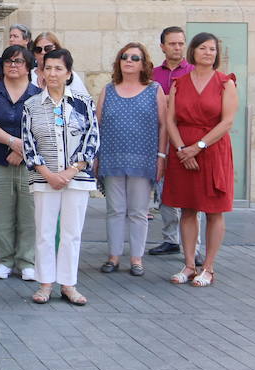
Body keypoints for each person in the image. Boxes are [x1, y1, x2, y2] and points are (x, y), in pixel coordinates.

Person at [22, 47, 99, 306]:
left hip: (76, 178)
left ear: (68, 73)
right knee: (44, 231)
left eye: (58, 68)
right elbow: (28, 144)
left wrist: (70, 170)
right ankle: (45, 284)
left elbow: (92, 139)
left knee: (71, 232)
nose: (52, 73)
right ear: (41, 73)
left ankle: (68, 284)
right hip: (44, 179)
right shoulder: (31, 105)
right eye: (48, 68)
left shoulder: (83, 102)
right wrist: (47, 173)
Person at [163, 32, 237, 288]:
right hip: (183, 151)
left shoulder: (225, 83)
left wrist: (198, 146)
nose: (208, 52)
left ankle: (209, 267)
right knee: (187, 208)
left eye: (213, 49)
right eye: (203, 48)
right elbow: (170, 120)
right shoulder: (179, 83)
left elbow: (227, 121)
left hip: (212, 150)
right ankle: (189, 264)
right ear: (193, 51)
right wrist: (183, 149)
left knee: (214, 210)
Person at [95, 42, 166, 277]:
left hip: (143, 158)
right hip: (112, 156)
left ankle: (136, 259)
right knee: (115, 209)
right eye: (124, 56)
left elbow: (163, 126)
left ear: (144, 63)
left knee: (138, 211)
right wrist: (96, 156)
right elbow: (98, 125)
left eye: (135, 58)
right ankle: (113, 256)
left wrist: (161, 156)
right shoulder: (108, 89)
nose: (129, 61)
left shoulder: (154, 90)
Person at [0, 44, 40, 280]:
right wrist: (13, 142)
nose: (13, 65)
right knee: (1, 214)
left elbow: (42, 129)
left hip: (31, 165)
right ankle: (5, 260)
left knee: (28, 213)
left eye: (19, 61)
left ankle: (26, 261)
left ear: (29, 67)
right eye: (8, 61)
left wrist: (22, 151)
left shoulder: (38, 95)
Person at [148, 26, 193, 258]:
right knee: (163, 188)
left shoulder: (194, 72)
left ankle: (192, 246)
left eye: (180, 43)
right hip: (158, 137)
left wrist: (165, 100)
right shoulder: (153, 74)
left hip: (186, 138)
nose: (177, 47)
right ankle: (170, 239)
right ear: (163, 47)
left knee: (189, 191)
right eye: (172, 43)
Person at [29, 31, 89, 96]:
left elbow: (85, 101)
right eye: (38, 49)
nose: (43, 52)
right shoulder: (27, 75)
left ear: (57, 49)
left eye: (48, 48)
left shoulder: (69, 75)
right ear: (34, 53)